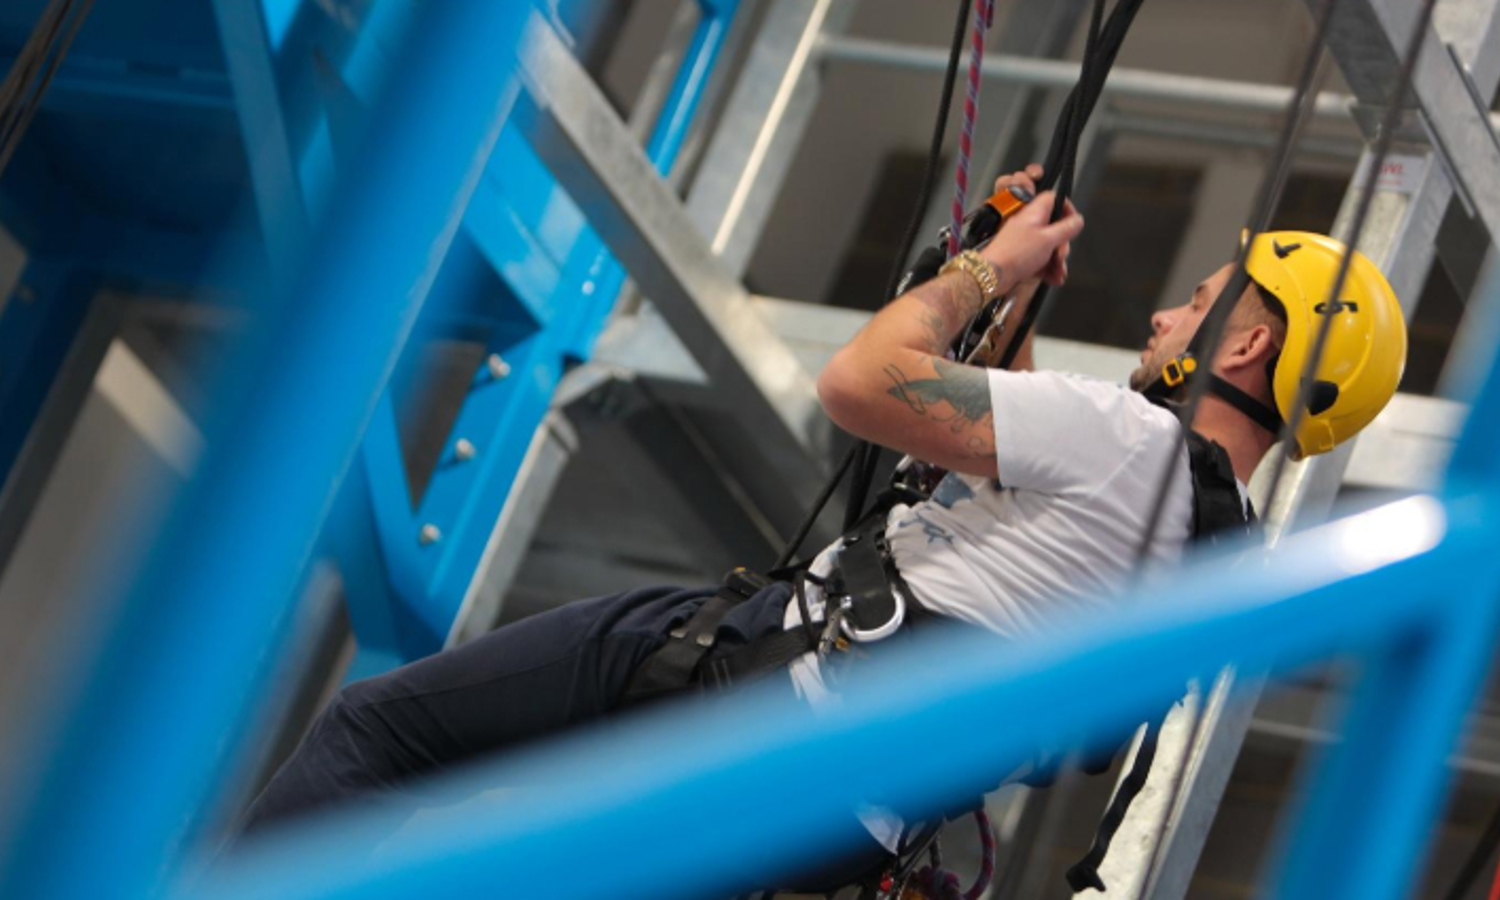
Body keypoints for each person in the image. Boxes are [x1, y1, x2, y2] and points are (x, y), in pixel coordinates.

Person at [233, 165, 1407, 892]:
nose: (1166, 314)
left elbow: (859, 382)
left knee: (376, 742)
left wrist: (983, 275)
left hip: (759, 694)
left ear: (1248, 346)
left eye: (1202, 301)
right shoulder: (1207, 564)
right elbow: (1020, 534)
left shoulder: (1123, 440)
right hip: (831, 819)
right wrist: (1012, 319)